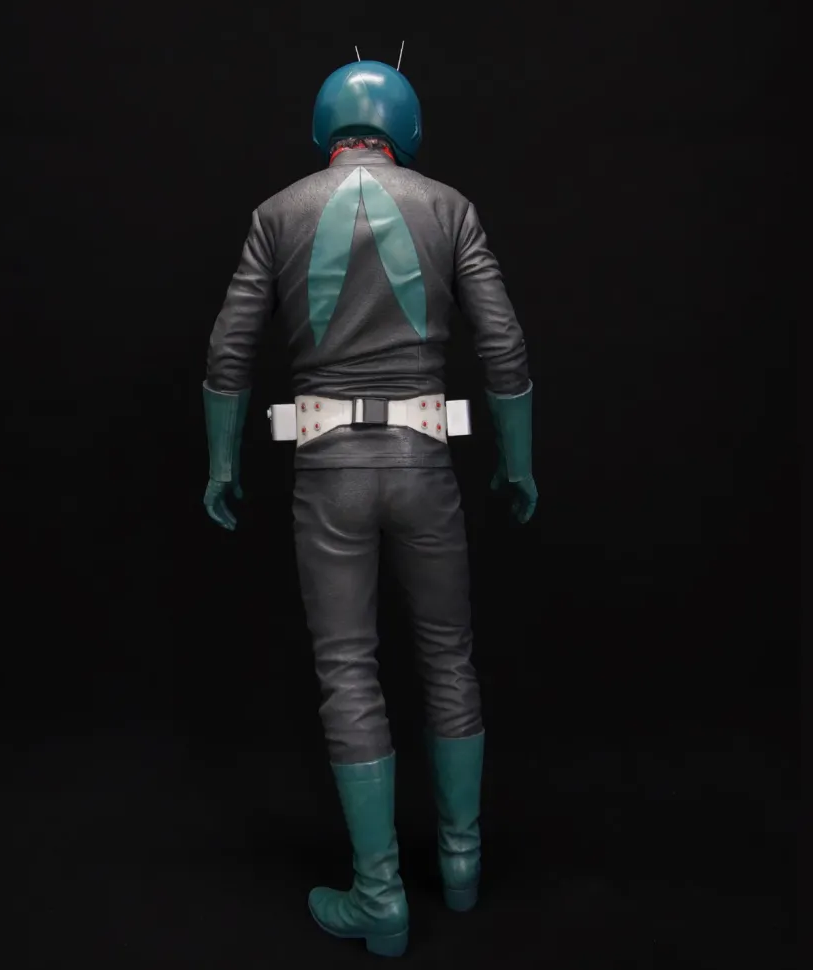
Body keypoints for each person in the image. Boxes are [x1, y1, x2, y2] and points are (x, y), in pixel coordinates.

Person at [201, 56, 537, 958]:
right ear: (406, 128)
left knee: (348, 670)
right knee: (449, 656)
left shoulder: (278, 214)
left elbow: (229, 350)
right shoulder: (450, 208)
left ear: (326, 127)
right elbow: (504, 344)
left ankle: (380, 895)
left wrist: (222, 461)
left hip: (330, 469)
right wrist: (518, 462)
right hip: (425, 460)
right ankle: (461, 866)